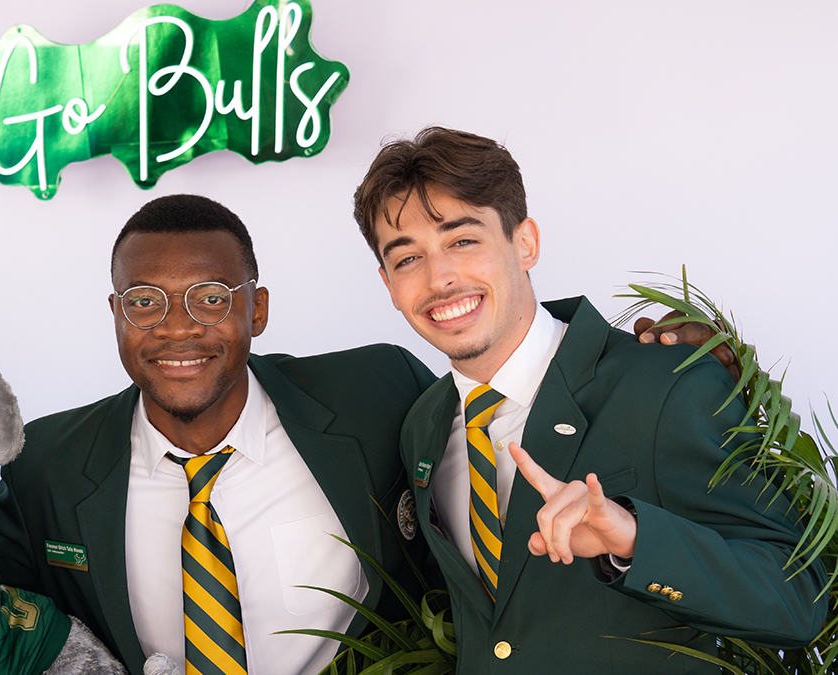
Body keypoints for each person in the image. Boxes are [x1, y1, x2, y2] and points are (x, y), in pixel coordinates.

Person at [352, 127, 825, 673]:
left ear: (525, 243)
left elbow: (798, 599)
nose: (440, 278)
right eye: (407, 258)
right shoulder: (424, 426)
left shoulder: (667, 385)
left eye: (463, 240)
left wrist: (635, 542)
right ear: (388, 283)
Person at [0, 195, 438, 675]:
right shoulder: (46, 464)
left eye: (211, 298)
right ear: (116, 314)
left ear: (257, 309)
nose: (178, 329)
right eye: (143, 301)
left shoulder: (376, 393)